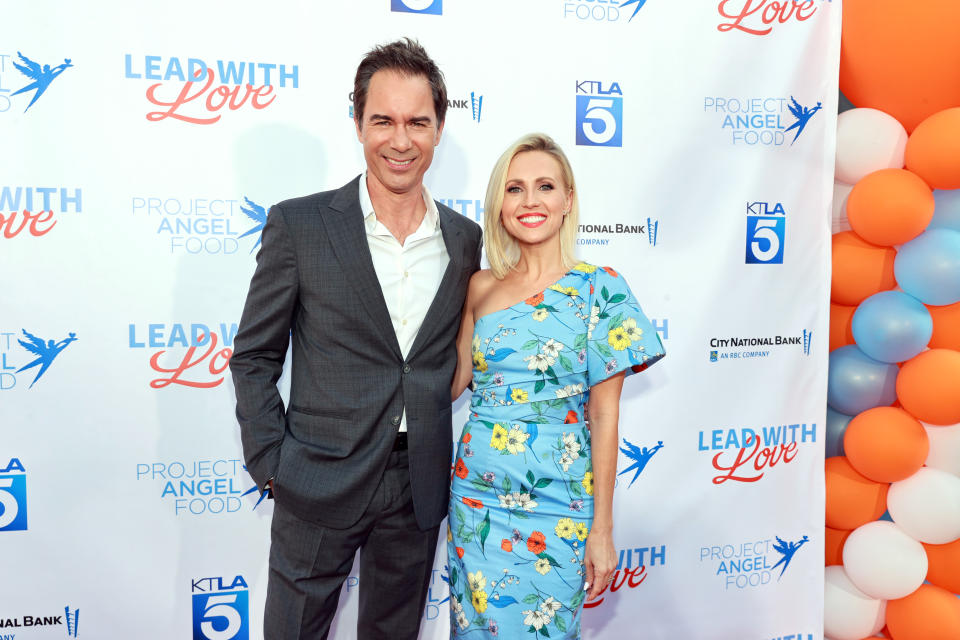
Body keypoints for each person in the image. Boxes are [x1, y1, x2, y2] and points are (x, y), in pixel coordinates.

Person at [230, 39, 482, 640]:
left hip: (416, 485)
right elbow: (254, 356)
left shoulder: (466, 240)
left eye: (418, 122)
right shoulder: (300, 224)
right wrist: (272, 464)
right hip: (315, 478)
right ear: (358, 123)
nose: (401, 140)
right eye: (384, 121)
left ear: (439, 128)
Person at [447, 133, 665, 638]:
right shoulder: (479, 286)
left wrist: (602, 530)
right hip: (478, 496)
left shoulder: (600, 288)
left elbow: (605, 415)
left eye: (545, 186)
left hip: (559, 505)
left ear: (568, 200)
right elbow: (455, 381)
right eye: (515, 188)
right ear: (499, 204)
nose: (530, 201)